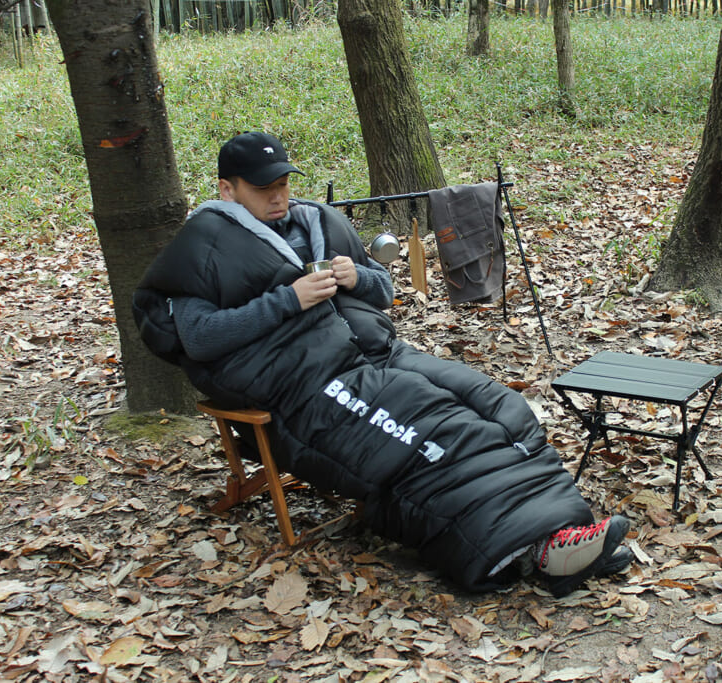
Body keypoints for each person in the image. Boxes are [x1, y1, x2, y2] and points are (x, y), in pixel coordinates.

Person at [133, 131, 633, 597]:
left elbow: (385, 291)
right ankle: (531, 552)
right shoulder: (205, 243)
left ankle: (566, 530)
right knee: (443, 433)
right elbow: (196, 338)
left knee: (503, 407)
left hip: (380, 354)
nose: (278, 196)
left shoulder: (317, 220)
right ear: (227, 189)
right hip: (308, 387)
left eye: (283, 183)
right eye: (264, 188)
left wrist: (357, 279)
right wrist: (288, 300)